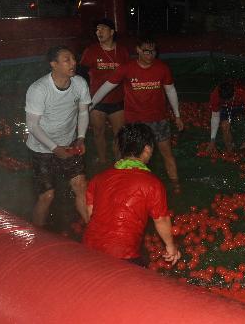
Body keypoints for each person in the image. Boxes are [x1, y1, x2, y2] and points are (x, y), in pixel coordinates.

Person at [91, 35, 184, 190]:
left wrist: (178, 116)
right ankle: (123, 184)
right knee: (130, 156)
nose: (150, 55)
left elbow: (171, 91)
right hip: (135, 122)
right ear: (138, 50)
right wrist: (90, 105)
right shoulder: (126, 68)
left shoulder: (162, 68)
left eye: (153, 51)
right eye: (146, 51)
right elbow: (107, 86)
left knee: (167, 153)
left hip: (158, 119)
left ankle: (175, 184)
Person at [83, 123, 180, 266]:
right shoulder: (152, 183)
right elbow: (161, 220)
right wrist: (170, 246)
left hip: (88, 248)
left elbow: (91, 213)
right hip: (122, 254)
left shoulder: (99, 178)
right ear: (147, 149)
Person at [25, 46, 91, 227]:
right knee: (47, 195)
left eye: (73, 58)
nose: (73, 63)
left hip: (69, 143)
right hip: (41, 148)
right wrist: (54, 148)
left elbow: (83, 112)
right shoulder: (39, 89)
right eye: (67, 59)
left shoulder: (79, 83)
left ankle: (94, 233)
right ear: (53, 64)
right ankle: (36, 236)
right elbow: (32, 126)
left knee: (81, 187)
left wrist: (81, 137)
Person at [79, 18, 129, 164]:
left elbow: (128, 75)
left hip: (117, 100)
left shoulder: (122, 51)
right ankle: (102, 160)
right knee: (98, 132)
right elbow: (81, 74)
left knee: (119, 134)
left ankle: (118, 160)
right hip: (97, 101)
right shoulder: (91, 51)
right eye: (97, 29)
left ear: (112, 32)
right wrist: (83, 96)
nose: (98, 32)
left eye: (102, 29)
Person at [207, 80, 245, 154]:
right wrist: (212, 140)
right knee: (224, 126)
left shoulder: (244, 94)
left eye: (229, 99)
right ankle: (231, 152)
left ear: (234, 93)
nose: (227, 101)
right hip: (226, 107)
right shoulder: (215, 95)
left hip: (241, 104)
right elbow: (215, 116)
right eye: (224, 100)